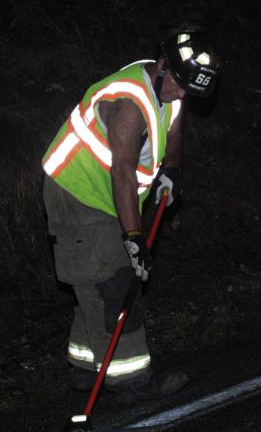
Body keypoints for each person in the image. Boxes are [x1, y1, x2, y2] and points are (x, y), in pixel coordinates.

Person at [42, 27, 222, 404]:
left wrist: (172, 169)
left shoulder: (173, 86)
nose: (183, 95)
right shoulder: (129, 102)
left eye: (191, 90)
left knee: (95, 277)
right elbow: (121, 171)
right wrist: (133, 237)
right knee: (114, 281)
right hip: (79, 192)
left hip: (109, 196)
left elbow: (173, 129)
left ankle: (86, 365)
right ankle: (130, 381)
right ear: (162, 66)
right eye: (181, 86)